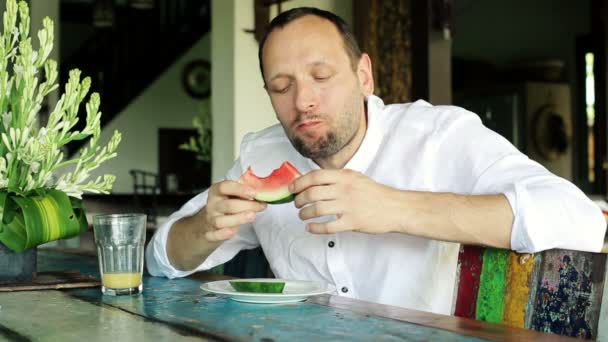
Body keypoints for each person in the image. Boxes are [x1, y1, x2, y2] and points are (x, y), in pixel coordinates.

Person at [146, 7, 606, 314]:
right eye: (281, 87)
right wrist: (204, 228)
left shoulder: (439, 135)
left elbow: (581, 221)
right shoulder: (261, 153)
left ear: (363, 74)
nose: (303, 100)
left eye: (321, 76)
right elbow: (160, 259)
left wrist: (394, 208)